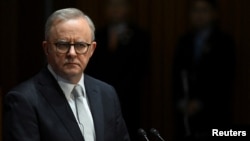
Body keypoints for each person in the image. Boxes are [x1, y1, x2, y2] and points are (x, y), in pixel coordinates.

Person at [3, 8, 130, 141]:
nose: (72, 53)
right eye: (62, 45)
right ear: (47, 48)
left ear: (92, 49)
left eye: (80, 45)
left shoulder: (107, 94)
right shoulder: (23, 100)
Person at [86, 0, 150, 140]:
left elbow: (139, 69)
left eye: (120, 5)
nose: (115, 9)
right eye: (111, 5)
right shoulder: (95, 36)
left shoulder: (139, 36)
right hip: (98, 99)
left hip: (128, 100)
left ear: (129, 8)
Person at [172, 0, 235, 140]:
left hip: (214, 111)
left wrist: (200, 103)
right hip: (185, 114)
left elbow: (224, 77)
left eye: (204, 10)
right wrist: (181, 102)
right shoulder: (184, 41)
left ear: (214, 14)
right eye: (195, 10)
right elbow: (176, 75)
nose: (199, 15)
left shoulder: (224, 41)